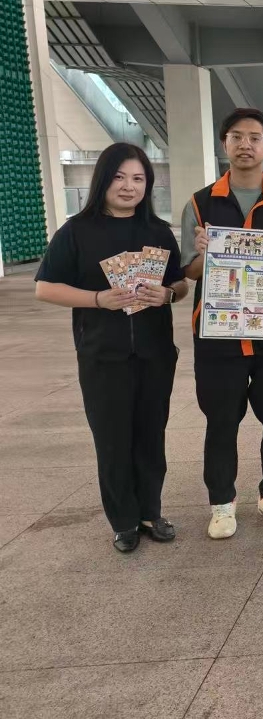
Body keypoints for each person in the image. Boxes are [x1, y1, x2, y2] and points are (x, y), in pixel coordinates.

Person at [35, 143, 188, 553]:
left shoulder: (158, 231)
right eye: (119, 177)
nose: (128, 186)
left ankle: (150, 512)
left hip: (155, 353)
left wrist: (168, 295)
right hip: (103, 355)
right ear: (103, 179)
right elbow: (45, 288)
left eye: (138, 179)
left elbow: (179, 283)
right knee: (112, 439)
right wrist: (97, 299)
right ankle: (123, 521)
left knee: (151, 436)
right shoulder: (76, 232)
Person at [182, 108, 263, 539]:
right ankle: (222, 503)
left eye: (254, 138)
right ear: (225, 144)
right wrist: (203, 254)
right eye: (236, 137)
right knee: (221, 421)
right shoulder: (200, 203)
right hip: (219, 336)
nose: (245, 145)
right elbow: (189, 270)